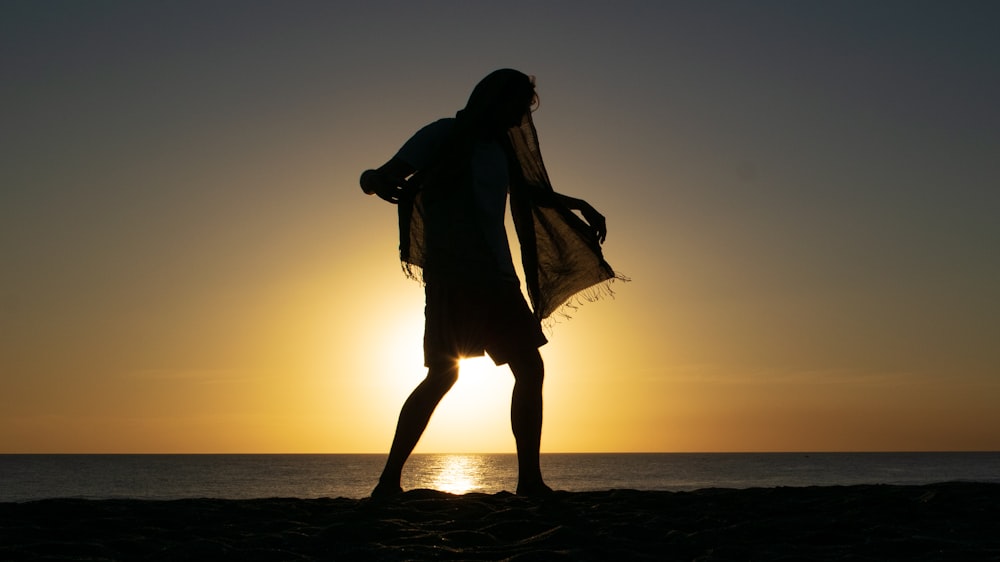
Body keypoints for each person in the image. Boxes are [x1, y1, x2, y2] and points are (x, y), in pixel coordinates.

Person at [360, 69, 622, 498]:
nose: (520, 119)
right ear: (492, 101)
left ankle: (530, 482)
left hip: (497, 277)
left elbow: (526, 194)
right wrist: (373, 180)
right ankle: (388, 481)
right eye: (516, 108)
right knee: (443, 376)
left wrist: (578, 206)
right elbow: (382, 175)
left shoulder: (500, 149)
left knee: (530, 369)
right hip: (454, 275)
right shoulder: (441, 135)